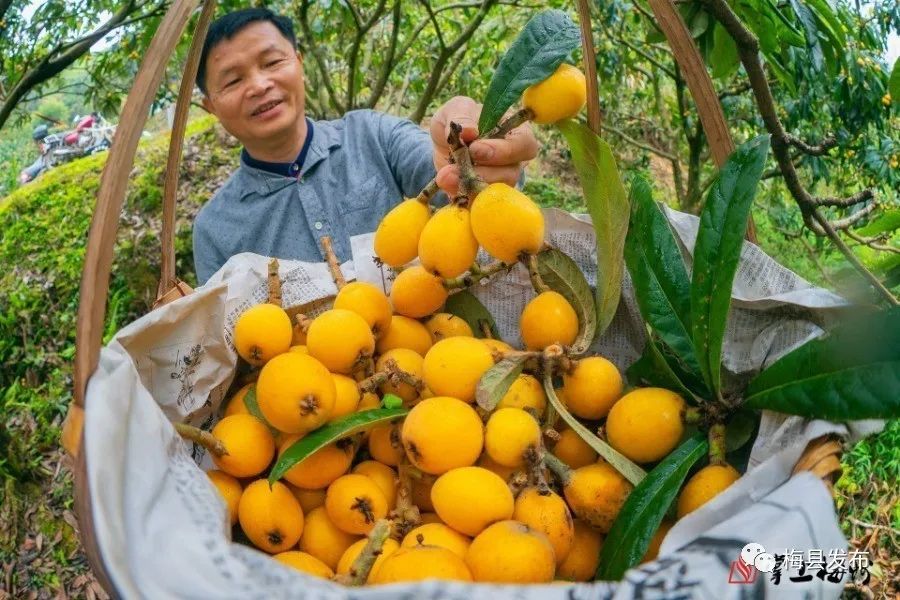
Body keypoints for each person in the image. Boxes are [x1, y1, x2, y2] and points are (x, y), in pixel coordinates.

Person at [192, 7, 538, 284]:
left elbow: (445, 172)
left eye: (272, 62)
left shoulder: (371, 134)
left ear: (298, 63)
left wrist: (472, 154)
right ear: (210, 105)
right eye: (234, 80)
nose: (259, 84)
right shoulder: (215, 230)